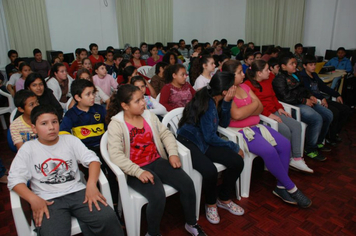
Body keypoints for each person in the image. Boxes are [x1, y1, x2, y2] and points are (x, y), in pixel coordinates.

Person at [106, 84, 206, 236]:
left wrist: (172, 153)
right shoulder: (116, 125)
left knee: (187, 183)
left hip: (156, 161)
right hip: (135, 169)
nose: (143, 103)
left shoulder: (149, 116)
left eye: (142, 99)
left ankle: (191, 223)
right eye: (137, 101)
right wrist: (137, 172)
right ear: (124, 105)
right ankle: (152, 233)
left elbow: (165, 134)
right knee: (157, 195)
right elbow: (116, 155)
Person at [8, 105, 123, 236]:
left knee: (107, 218)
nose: (51, 127)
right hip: (47, 199)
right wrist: (33, 199)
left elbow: (93, 160)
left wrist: (91, 185)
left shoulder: (70, 140)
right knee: (53, 232)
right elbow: (14, 180)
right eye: (44, 123)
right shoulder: (28, 148)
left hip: (78, 192)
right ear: (34, 128)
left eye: (54, 122)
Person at [222, 60, 312, 208]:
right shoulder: (227, 91)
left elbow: (260, 107)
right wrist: (252, 108)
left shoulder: (244, 86)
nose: (243, 74)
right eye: (239, 72)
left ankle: (281, 187)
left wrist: (247, 111)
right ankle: (291, 188)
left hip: (256, 126)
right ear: (231, 75)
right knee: (269, 150)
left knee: (284, 144)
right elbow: (237, 115)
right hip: (240, 132)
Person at [177, 71, 245, 224]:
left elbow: (223, 124)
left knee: (237, 162)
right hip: (189, 141)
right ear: (224, 91)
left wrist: (227, 102)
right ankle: (211, 203)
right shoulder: (207, 102)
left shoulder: (218, 98)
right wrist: (233, 145)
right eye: (233, 87)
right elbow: (210, 137)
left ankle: (224, 198)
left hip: (205, 140)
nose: (236, 88)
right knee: (210, 171)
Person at [60, 79, 118, 213]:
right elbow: (64, 136)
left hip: (104, 148)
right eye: (88, 94)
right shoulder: (70, 115)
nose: (93, 97)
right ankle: (102, 203)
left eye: (93, 93)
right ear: (77, 97)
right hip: (86, 153)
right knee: (98, 176)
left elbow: (110, 128)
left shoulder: (100, 109)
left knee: (114, 171)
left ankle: (115, 202)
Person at [244, 60, 313, 173]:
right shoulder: (248, 85)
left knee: (296, 125)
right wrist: (268, 115)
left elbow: (273, 97)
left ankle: (297, 157)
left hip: (274, 111)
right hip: (263, 116)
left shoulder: (267, 81)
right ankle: (288, 157)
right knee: (285, 130)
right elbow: (255, 105)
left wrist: (280, 107)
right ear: (259, 73)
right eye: (266, 69)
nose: (269, 71)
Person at [272, 53, 333, 161]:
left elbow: (304, 89)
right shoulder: (279, 79)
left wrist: (311, 96)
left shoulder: (296, 75)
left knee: (328, 114)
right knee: (316, 118)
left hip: (305, 101)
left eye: (295, 63)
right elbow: (286, 97)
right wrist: (304, 100)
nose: (295, 65)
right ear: (283, 66)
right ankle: (310, 149)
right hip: (294, 105)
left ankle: (318, 141)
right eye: (291, 64)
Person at [299, 54, 350, 145]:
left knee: (345, 109)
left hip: (321, 98)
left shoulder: (314, 75)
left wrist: (337, 94)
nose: (314, 67)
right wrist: (322, 98)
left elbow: (323, 87)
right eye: (311, 65)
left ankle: (334, 133)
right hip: (315, 100)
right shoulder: (302, 77)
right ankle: (329, 137)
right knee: (334, 112)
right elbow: (308, 91)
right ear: (304, 66)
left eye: (314, 64)